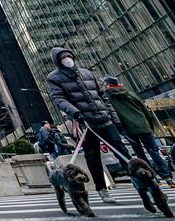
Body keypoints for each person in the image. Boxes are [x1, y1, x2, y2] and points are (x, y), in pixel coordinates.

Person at [46, 46, 128, 203]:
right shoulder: (54, 78)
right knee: (93, 157)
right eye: (63, 58)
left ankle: (142, 184)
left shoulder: (87, 73)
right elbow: (58, 99)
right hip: (86, 123)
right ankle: (102, 189)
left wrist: (114, 118)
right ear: (58, 61)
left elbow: (102, 97)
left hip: (105, 120)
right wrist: (75, 113)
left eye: (69, 56)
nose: (67, 60)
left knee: (122, 151)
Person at [103, 76, 175, 187]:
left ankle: (153, 178)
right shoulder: (130, 93)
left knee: (140, 155)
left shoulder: (108, 97)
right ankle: (168, 178)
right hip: (143, 126)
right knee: (154, 152)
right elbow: (145, 110)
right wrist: (150, 127)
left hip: (128, 129)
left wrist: (119, 129)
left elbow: (111, 113)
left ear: (108, 85)